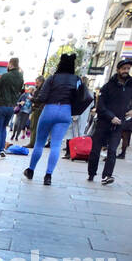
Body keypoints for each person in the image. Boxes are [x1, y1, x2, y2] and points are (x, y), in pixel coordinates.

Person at [24, 53, 86, 185]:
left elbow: (42, 97)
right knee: (56, 145)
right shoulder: (77, 79)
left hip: (49, 110)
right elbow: (80, 97)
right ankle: (48, 175)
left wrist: (33, 99)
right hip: (65, 111)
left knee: (39, 143)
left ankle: (31, 170)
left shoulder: (52, 78)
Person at [87, 57, 132, 185]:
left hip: (118, 125)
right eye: (123, 68)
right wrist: (111, 117)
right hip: (103, 123)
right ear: (118, 70)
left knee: (112, 150)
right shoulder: (107, 86)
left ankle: (107, 176)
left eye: (128, 69)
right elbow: (100, 106)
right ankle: (91, 173)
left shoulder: (131, 87)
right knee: (95, 150)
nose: (126, 71)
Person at [0, 57, 24, 156]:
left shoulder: (5, 76)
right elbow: (20, 91)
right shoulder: (21, 77)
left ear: (11, 64)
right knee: (4, 128)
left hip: (2, 105)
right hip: (11, 107)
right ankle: (1, 150)